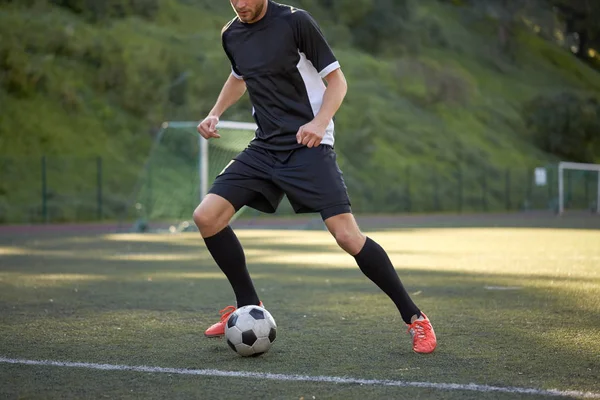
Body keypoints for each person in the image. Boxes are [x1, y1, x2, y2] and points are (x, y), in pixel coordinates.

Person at [195, 0, 437, 354]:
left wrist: (319, 122)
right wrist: (215, 112)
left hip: (309, 145)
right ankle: (250, 305)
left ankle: (415, 318)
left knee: (346, 235)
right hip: (264, 148)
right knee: (206, 217)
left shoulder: (296, 22)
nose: (241, 4)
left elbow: (337, 83)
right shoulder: (231, 34)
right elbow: (238, 77)